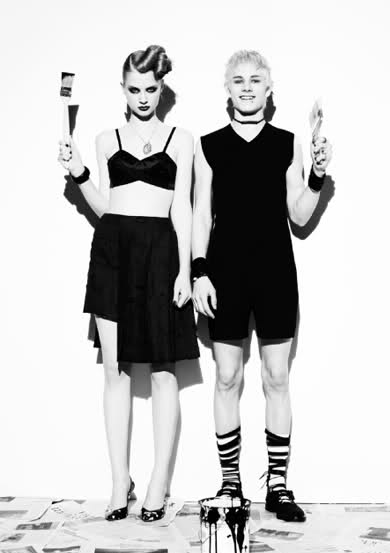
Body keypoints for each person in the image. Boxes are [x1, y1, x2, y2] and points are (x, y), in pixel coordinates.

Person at [58, 45, 199, 522]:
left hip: (161, 255)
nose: (142, 97)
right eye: (134, 89)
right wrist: (79, 172)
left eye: (151, 89)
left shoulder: (182, 139)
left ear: (161, 89)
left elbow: (183, 208)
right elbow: (106, 206)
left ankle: (159, 482)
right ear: (123, 89)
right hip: (113, 253)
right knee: (115, 371)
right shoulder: (105, 139)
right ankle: (120, 481)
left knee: (163, 372)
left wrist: (184, 270)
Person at [192, 50, 332, 522]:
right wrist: (199, 272)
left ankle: (277, 485)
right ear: (227, 89)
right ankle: (230, 483)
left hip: (275, 272)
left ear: (269, 90)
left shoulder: (288, 143)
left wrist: (316, 175)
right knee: (226, 378)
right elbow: (200, 214)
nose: (247, 87)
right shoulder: (208, 146)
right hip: (225, 274)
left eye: (256, 80)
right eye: (239, 80)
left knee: (276, 378)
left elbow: (299, 214)